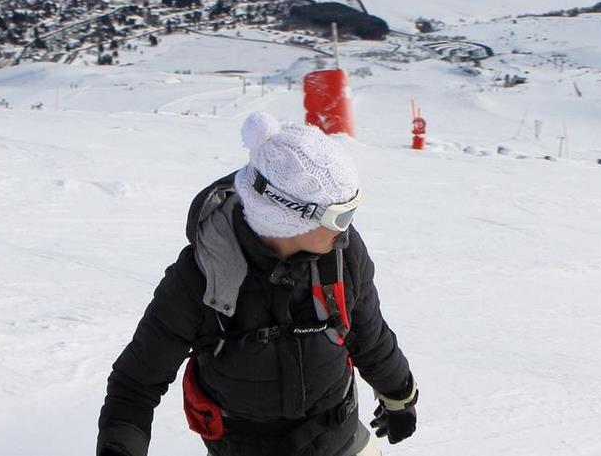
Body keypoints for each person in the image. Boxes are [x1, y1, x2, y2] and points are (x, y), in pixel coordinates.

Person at [96, 113, 419, 456]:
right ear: (291, 216)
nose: (347, 228)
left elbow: (368, 332)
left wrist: (399, 395)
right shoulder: (201, 277)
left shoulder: (342, 255)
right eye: (341, 215)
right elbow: (135, 384)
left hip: (338, 439)